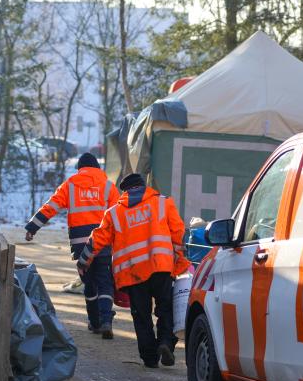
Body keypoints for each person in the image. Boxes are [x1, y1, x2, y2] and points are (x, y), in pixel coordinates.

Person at [77, 173, 190, 367]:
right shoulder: (163, 203)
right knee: (166, 308)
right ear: (143, 186)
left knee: (141, 315)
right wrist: (180, 261)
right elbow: (178, 233)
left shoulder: (114, 213)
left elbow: (98, 238)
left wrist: (83, 261)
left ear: (125, 191)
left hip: (132, 272)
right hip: (161, 266)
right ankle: (165, 343)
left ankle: (150, 358)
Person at [25, 153, 120, 337]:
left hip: (79, 244)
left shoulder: (70, 185)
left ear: (80, 168)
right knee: (105, 282)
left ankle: (94, 322)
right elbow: (119, 214)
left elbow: (51, 206)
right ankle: (106, 320)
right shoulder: (108, 186)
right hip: (102, 243)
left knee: (89, 283)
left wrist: (32, 227)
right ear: (97, 168)